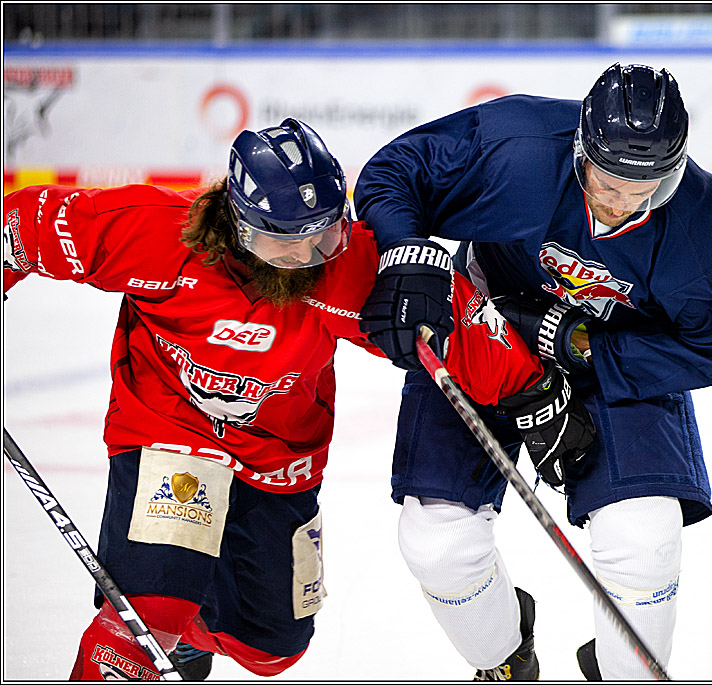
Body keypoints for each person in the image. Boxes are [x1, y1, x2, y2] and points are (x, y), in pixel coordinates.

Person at [2, 118, 594, 680]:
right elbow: (21, 229)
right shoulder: (153, 235)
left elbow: (460, 322)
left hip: (278, 459)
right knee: (144, 626)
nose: (306, 260)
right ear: (237, 224)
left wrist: (529, 389)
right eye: (282, 244)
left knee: (272, 647)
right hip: (172, 431)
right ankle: (160, 608)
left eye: (325, 236)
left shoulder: (346, 269)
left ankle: (180, 612)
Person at [353, 63, 712, 680]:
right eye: (609, 178)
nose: (621, 201)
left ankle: (625, 671)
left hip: (613, 355)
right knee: (437, 542)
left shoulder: (702, 226)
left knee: (642, 540)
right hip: (486, 322)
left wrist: (591, 352)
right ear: (580, 145)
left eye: (646, 185)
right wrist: (407, 256)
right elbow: (393, 173)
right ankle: (501, 657)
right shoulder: (517, 146)